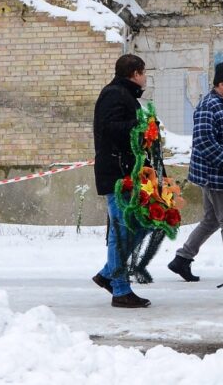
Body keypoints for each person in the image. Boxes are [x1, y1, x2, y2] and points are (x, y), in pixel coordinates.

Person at [167, 62, 223, 283]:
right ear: (221, 85)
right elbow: (204, 140)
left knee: (212, 219)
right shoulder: (209, 106)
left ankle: (182, 258)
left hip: (219, 172)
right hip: (215, 174)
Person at [92, 53, 151, 309]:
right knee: (121, 230)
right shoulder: (114, 94)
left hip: (127, 172)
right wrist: (139, 125)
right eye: (144, 72)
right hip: (117, 174)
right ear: (135, 74)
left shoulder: (123, 95)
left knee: (143, 223)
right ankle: (120, 289)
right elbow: (109, 129)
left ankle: (108, 273)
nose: (146, 77)